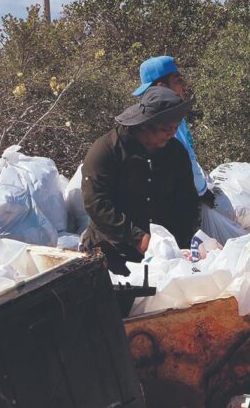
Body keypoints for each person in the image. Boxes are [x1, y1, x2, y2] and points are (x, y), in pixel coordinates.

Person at [81, 86, 199, 274]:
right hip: (112, 251)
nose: (172, 133)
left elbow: (187, 201)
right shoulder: (106, 150)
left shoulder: (176, 152)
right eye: (166, 129)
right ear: (145, 125)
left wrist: (181, 243)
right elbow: (97, 203)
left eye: (176, 128)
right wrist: (136, 237)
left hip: (163, 255)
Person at [133, 56, 209, 200]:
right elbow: (186, 161)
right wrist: (204, 192)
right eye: (178, 81)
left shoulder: (142, 116)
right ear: (162, 87)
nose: (184, 86)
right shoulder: (167, 119)